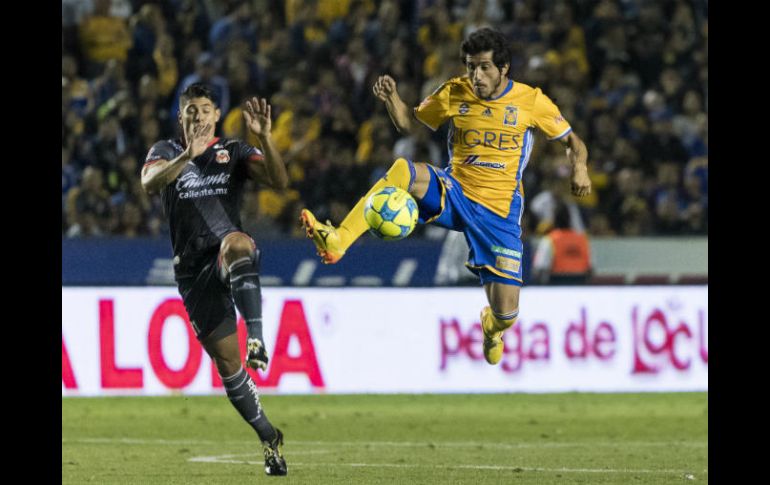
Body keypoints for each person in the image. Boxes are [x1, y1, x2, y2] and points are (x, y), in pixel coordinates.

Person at [300, 28, 591, 365]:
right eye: (471, 67)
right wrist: (393, 100)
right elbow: (411, 124)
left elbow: (573, 142)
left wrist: (579, 169)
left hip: (499, 214)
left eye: (484, 68)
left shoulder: (531, 101)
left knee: (507, 313)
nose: (476, 76)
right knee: (404, 170)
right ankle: (339, 239)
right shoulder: (455, 91)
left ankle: (492, 328)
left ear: (503, 68)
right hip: (456, 192)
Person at [141, 83, 289, 476]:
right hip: (192, 273)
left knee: (237, 242)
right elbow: (149, 184)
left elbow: (279, 181)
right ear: (180, 117)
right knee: (229, 367)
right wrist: (186, 157)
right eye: (191, 110)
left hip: (226, 253)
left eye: (205, 109)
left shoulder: (234, 151)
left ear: (216, 115)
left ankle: (256, 335)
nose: (198, 116)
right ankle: (269, 436)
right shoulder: (164, 151)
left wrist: (266, 138)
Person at [532, 202, 592, 285]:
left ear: (554, 219)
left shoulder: (550, 240)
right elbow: (591, 269)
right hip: (580, 286)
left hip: (557, 286)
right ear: (570, 218)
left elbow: (540, 269)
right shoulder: (583, 240)